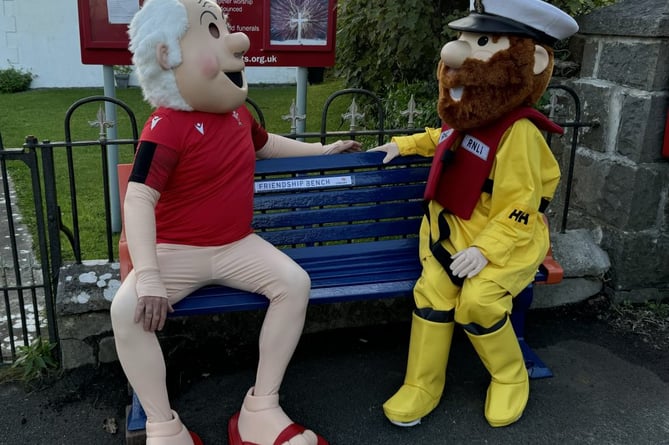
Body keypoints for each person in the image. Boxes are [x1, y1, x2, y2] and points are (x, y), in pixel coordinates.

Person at [109, 1, 360, 444]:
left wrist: (322, 151)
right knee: (126, 312)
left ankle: (260, 408)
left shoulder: (238, 114)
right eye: (212, 29)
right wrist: (148, 277)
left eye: (222, 25)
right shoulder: (166, 125)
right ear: (168, 55)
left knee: (293, 283)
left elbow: (268, 147)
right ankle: (163, 426)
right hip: (176, 252)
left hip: (235, 245)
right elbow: (139, 197)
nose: (238, 40)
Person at [369, 0, 578, 429]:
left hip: (505, 238)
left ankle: (509, 376)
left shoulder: (518, 133)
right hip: (450, 231)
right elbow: (442, 136)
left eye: (481, 42)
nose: (454, 53)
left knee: (479, 304)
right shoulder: (470, 116)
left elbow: (521, 205)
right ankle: (421, 384)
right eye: (464, 39)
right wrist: (403, 145)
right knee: (433, 293)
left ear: (533, 59)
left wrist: (486, 249)